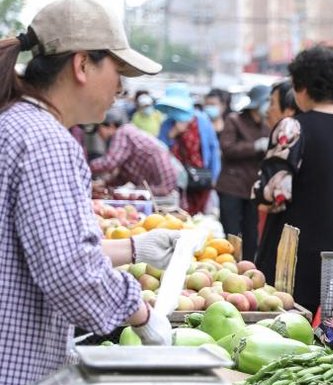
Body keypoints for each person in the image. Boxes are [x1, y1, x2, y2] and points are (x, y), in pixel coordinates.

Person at [0, 0, 184, 385]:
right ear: (82, 64)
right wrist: (139, 309)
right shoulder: (46, 140)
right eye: (117, 68)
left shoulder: (16, 125)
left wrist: (130, 249)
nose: (122, 86)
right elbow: (68, 270)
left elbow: (38, 251)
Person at [256, 45, 333, 313]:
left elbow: (271, 195)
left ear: (301, 87)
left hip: (297, 254)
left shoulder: (293, 127)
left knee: (289, 332)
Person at [217, 84, 269, 261]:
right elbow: (228, 148)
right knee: (231, 232)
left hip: (253, 188)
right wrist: (255, 146)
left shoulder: (267, 125)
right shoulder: (234, 120)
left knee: (251, 234)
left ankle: (246, 267)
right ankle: (228, 264)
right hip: (232, 186)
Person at [156, 83, 221, 214]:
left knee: (199, 215)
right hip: (175, 181)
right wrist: (172, 133)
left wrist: (214, 176)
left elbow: (213, 149)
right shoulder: (167, 124)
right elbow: (159, 151)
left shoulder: (202, 121)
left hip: (200, 179)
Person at [90, 104, 178, 197]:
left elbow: (110, 162)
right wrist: (105, 183)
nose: (99, 135)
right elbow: (123, 175)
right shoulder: (124, 139)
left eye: (99, 130)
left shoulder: (123, 132)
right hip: (155, 180)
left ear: (110, 125)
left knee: (167, 201)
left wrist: (87, 166)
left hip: (164, 175)